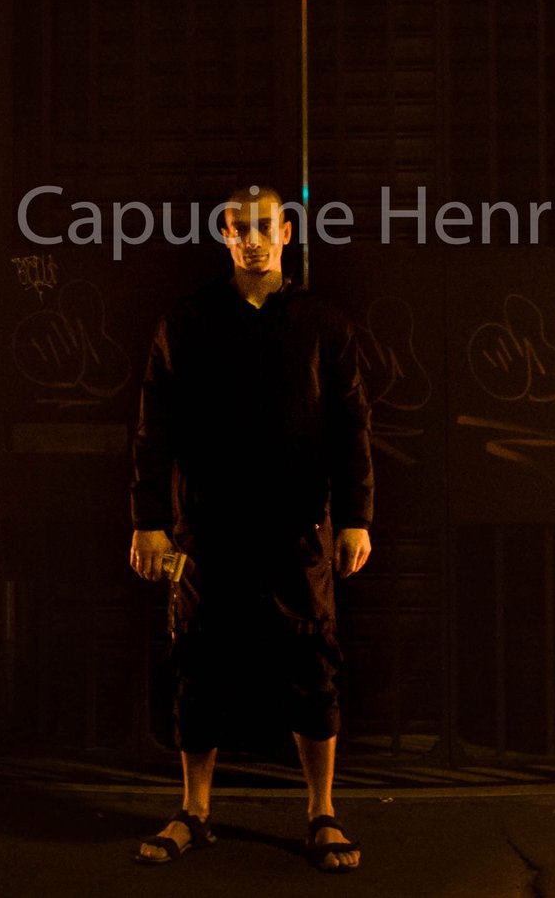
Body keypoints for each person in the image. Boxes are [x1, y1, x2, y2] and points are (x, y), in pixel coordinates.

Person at [127, 182, 375, 872]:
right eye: (240, 228)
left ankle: (322, 812)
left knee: (312, 663)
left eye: (265, 227)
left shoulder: (323, 323)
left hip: (298, 527)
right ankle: (194, 811)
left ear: (287, 233)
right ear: (225, 236)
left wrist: (356, 518)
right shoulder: (189, 320)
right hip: (206, 527)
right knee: (197, 664)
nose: (253, 239)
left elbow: (352, 427)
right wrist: (149, 522)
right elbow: (153, 425)